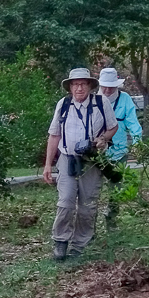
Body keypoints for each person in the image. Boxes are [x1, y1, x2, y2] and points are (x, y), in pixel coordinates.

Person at [42, 67, 117, 262]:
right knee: (65, 202)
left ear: (90, 86)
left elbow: (113, 127)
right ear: (70, 87)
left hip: (92, 160)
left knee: (87, 205)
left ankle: (81, 244)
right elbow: (54, 134)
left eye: (83, 84)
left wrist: (103, 139)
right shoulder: (64, 104)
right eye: (75, 84)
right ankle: (60, 241)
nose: (79, 88)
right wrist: (48, 165)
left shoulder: (102, 103)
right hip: (67, 158)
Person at [98, 67, 143, 228]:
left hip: (119, 154)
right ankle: (89, 226)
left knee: (115, 190)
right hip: (97, 155)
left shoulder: (125, 100)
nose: (108, 90)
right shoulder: (93, 100)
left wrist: (138, 143)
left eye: (111, 86)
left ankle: (111, 220)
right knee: (93, 190)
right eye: (105, 86)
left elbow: (133, 124)